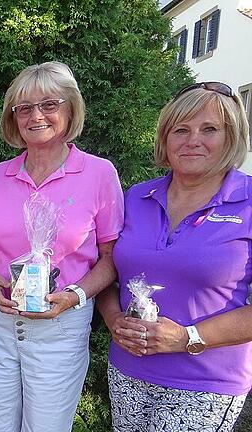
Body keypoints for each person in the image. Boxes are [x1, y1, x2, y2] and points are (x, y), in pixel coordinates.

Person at [0, 61, 124, 432]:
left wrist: (74, 296)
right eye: (24, 108)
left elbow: (112, 258)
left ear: (70, 109)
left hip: (61, 324)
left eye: (49, 105)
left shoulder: (100, 174)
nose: (36, 116)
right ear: (13, 117)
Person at [97, 82, 252, 431]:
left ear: (232, 138)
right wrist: (112, 317)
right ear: (165, 140)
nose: (193, 139)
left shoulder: (249, 201)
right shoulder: (137, 197)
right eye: (180, 129)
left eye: (209, 129)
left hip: (205, 381)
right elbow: (107, 269)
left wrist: (187, 337)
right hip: (128, 369)